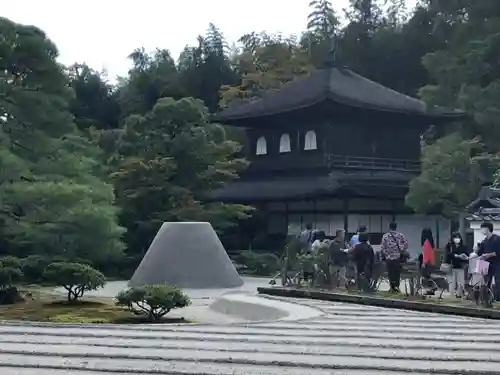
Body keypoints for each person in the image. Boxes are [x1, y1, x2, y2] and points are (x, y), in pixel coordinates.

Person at [381, 222, 408, 293]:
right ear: (396, 227)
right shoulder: (400, 235)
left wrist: (387, 253)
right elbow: (406, 244)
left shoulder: (385, 236)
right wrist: (401, 250)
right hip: (397, 257)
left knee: (390, 273)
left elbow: (383, 247)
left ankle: (392, 287)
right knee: (397, 272)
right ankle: (397, 287)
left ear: (389, 227)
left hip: (389, 257)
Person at [477, 222, 500, 304]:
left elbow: (497, 252)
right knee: (486, 282)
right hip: (486, 264)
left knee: (498, 281)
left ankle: (498, 299)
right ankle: (486, 299)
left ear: (487, 229)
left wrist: (488, 255)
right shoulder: (484, 241)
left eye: (482, 228)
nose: (482, 230)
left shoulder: (497, 239)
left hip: (497, 263)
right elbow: (480, 253)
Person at [444, 232, 470, 298]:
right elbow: (448, 254)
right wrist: (457, 256)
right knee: (451, 282)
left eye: (458, 237)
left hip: (460, 266)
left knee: (460, 282)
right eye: (455, 237)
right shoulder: (449, 246)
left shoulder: (463, 246)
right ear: (452, 239)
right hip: (451, 266)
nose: (457, 239)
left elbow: (467, 255)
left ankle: (459, 294)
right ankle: (451, 294)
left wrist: (464, 256)